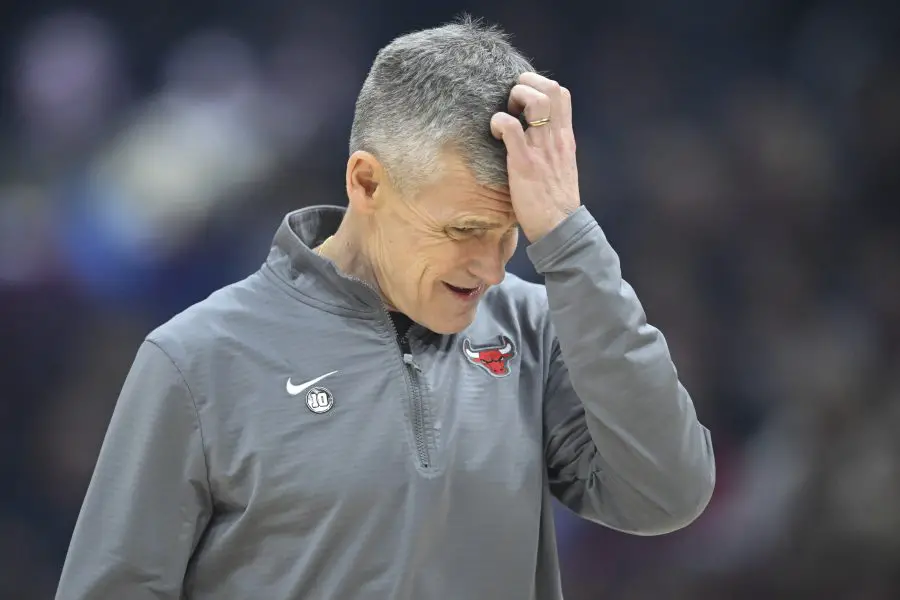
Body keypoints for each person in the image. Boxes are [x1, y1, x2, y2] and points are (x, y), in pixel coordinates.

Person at [55, 16, 715, 600]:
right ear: (367, 182)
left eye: (513, 232)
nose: (491, 268)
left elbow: (669, 493)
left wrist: (569, 239)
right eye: (463, 230)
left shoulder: (536, 328)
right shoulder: (196, 360)